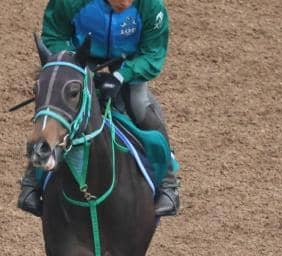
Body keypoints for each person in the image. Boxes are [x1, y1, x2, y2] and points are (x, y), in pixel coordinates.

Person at [18, 0, 180, 217]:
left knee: (141, 106)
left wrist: (121, 76)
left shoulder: (150, 6)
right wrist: (78, 67)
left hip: (128, 66)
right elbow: (54, 35)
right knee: (53, 109)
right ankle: (31, 182)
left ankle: (169, 185)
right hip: (79, 61)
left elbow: (152, 54)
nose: (125, 2)